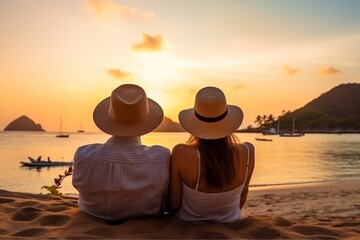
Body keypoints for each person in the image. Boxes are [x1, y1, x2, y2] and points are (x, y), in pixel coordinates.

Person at [72, 84, 170, 221]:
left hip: (93, 213)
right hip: (145, 219)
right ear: (145, 120)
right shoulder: (161, 157)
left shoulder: (83, 154)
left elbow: (78, 187)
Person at [168, 86, 255, 223]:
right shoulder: (248, 152)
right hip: (231, 221)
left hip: (188, 224)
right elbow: (241, 201)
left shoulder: (181, 152)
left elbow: (173, 205)